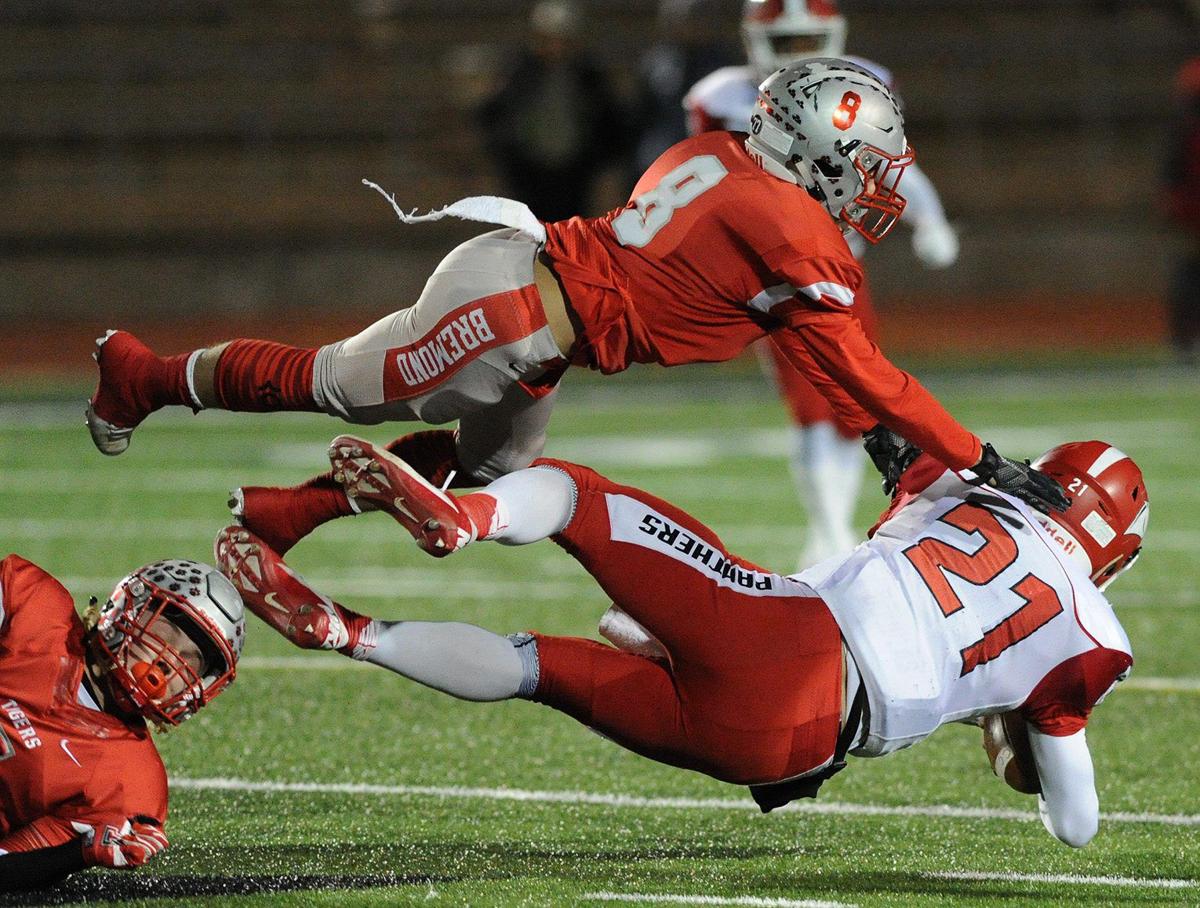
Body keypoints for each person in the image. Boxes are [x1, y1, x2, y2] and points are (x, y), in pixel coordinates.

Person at [88, 59, 1067, 556]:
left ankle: (286, 515)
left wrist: (878, 438)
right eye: (863, 161)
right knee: (334, 382)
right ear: (816, 154)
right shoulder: (794, 231)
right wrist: (978, 456)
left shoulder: (723, 161)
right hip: (508, 317)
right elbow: (859, 361)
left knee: (492, 471)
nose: (877, 179)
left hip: (532, 314)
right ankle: (145, 375)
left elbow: (798, 334)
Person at [215, 435, 1146, 846]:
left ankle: (462, 518)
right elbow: (1075, 825)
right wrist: (1012, 731)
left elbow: (886, 557)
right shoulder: (1093, 641)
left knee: (573, 495)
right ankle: (350, 633)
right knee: (539, 668)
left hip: (792, 642)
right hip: (783, 751)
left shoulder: (968, 489)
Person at [684, 0, 961, 567]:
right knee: (814, 405)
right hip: (773, 275)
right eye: (786, 44)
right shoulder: (724, 100)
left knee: (862, 400)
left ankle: (833, 529)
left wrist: (927, 217)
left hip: (842, 266)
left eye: (808, 42)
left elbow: (892, 168)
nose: (799, 57)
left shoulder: (865, 85)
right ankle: (829, 528)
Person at [0, 556, 244, 891]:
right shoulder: (33, 605)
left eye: (194, 660)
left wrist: (77, 854)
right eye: (170, 629)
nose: (171, 660)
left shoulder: (130, 786)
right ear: (131, 605)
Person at [477, 0, 626, 222]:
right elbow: (495, 116)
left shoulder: (589, 76)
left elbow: (609, 123)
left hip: (575, 175)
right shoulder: (520, 73)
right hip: (529, 174)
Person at [1163, 56, 1200, 364]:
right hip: (1192, 204)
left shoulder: (1184, 123)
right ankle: (1184, 336)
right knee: (1190, 269)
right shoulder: (1186, 127)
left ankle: (1184, 337)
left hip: (1189, 203)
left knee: (1189, 269)